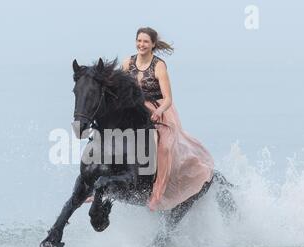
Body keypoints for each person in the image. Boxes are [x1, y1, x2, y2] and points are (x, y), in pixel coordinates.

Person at [87, 27, 214, 212]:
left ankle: (157, 193)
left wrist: (159, 111)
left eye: (146, 41)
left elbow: (168, 98)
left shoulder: (159, 65)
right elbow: (119, 91)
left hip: (158, 108)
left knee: (163, 146)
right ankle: (95, 185)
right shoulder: (127, 62)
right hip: (132, 108)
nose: (142, 44)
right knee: (107, 134)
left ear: (153, 44)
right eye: (139, 40)